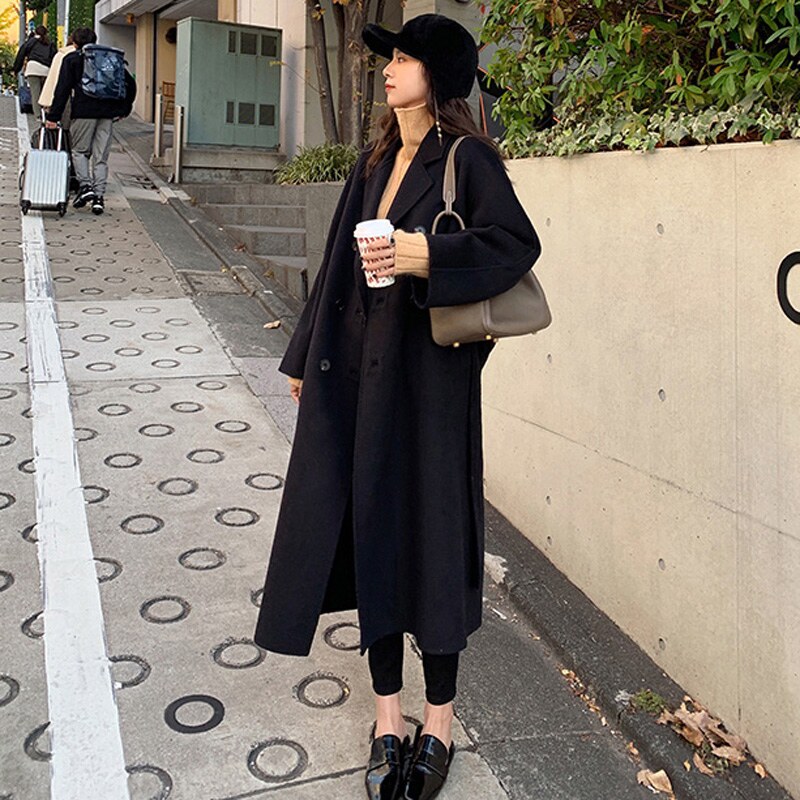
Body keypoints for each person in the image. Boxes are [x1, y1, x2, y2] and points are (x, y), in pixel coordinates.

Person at [253, 13, 541, 800]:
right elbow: (335, 265)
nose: (388, 69)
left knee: (435, 547)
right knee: (371, 538)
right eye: (391, 57)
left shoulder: (468, 158)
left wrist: (426, 255)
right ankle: (388, 716)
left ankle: (438, 721)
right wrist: (302, 358)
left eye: (404, 58)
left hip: (431, 389)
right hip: (355, 381)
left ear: (436, 76)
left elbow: (515, 245)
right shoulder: (374, 157)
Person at [44, 29, 136, 216]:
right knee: (101, 157)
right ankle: (99, 199)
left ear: (74, 43)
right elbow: (130, 85)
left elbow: (62, 89)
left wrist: (53, 117)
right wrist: (124, 110)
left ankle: (85, 187)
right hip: (107, 115)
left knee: (80, 151)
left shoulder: (73, 59)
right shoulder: (109, 58)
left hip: (84, 112)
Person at [13, 25, 56, 126]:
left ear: (35, 32)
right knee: (46, 93)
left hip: (33, 69)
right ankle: (47, 112)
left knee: (35, 93)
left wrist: (16, 69)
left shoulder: (31, 41)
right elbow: (54, 57)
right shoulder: (50, 43)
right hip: (46, 70)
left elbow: (21, 54)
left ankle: (38, 116)